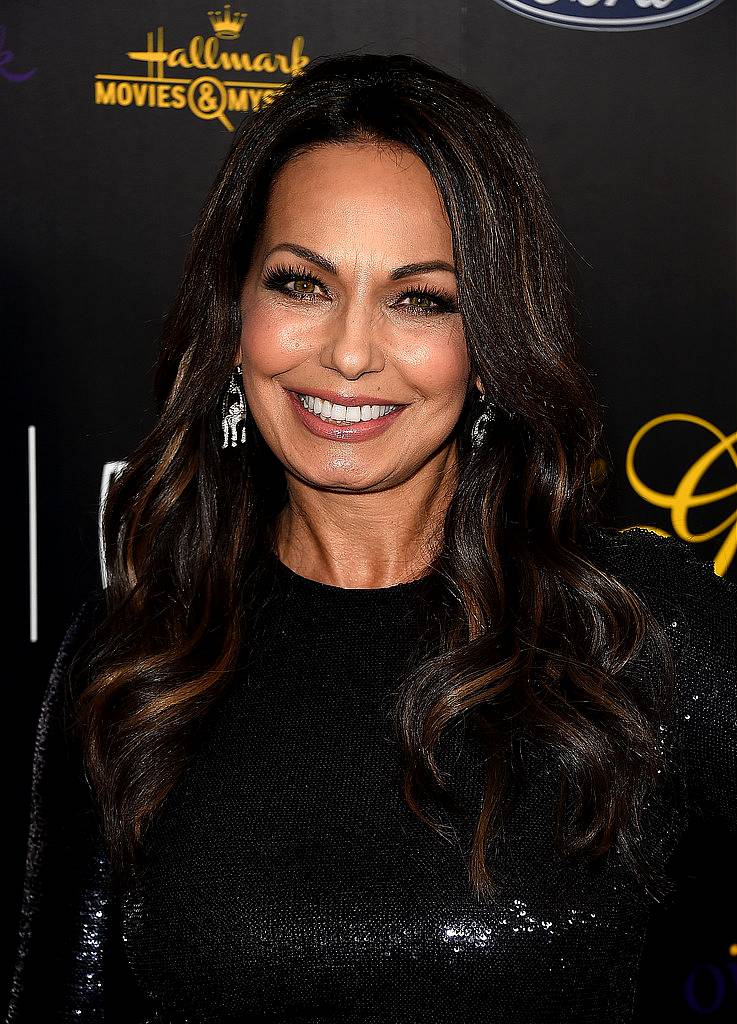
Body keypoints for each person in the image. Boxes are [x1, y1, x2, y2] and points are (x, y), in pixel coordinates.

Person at [6, 52, 736, 1024]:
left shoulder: (633, 629)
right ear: (236, 319)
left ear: (490, 346)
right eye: (300, 284)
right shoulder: (140, 650)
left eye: (418, 298)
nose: (348, 352)